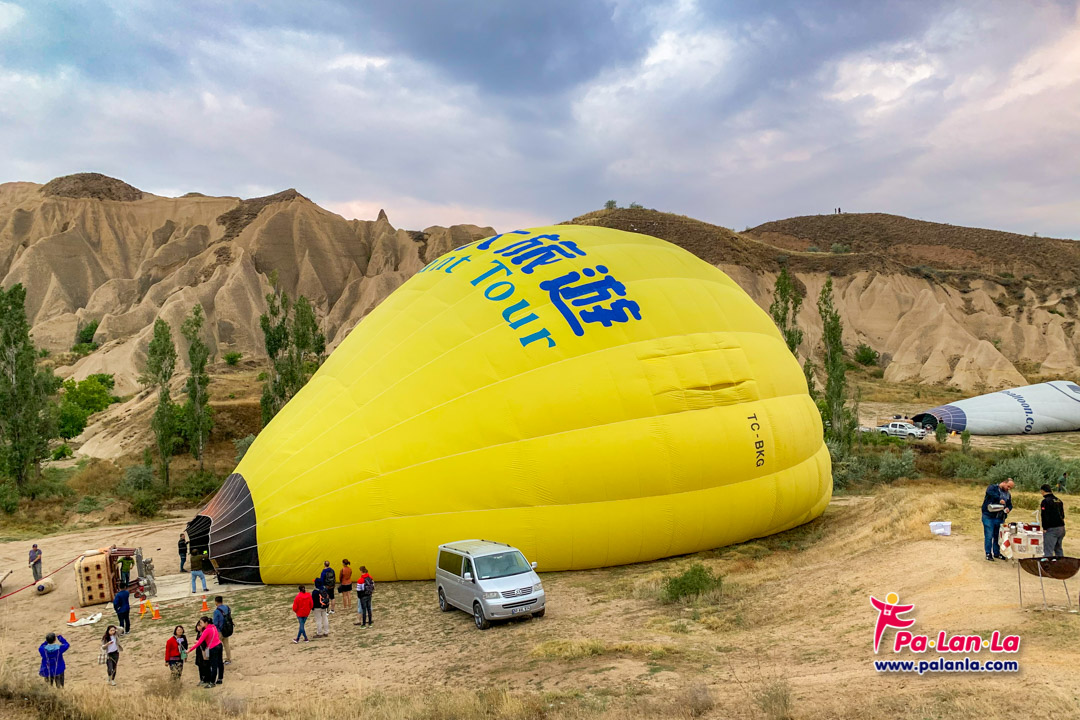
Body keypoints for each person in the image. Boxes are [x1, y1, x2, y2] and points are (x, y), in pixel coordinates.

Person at [981, 478, 1015, 561]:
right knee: (989, 535)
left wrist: (1008, 509)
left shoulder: (1008, 494)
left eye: (1010, 488)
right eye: (1008, 486)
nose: (1009, 489)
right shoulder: (992, 488)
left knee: (998, 537)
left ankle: (997, 553)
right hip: (988, 516)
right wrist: (999, 499)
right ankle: (988, 553)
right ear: (1003, 482)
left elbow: (1010, 504)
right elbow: (991, 494)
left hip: (1000, 518)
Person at [188, 615, 223, 687]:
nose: (200, 624)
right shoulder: (213, 626)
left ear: (206, 623)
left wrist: (189, 650)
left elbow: (199, 642)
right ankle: (220, 678)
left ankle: (212, 682)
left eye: (201, 623)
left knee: (214, 666)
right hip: (219, 645)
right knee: (220, 662)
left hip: (213, 648)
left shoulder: (206, 630)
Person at [1040, 483, 1066, 557]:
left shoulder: (1045, 501)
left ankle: (1047, 567)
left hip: (1052, 529)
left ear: (1042, 491)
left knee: (1048, 551)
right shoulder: (1059, 500)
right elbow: (1063, 515)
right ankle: (1061, 565)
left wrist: (1044, 528)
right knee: (1058, 549)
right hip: (1061, 528)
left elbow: (1045, 516)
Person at [212, 596, 233, 665]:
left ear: (216, 602)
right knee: (226, 644)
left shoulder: (216, 611)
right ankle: (228, 658)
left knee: (217, 646)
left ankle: (218, 660)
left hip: (219, 631)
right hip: (226, 629)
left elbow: (215, 623)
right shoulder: (227, 608)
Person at [192, 619, 209, 685]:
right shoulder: (199, 633)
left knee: (205, 665)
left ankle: (207, 679)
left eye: (200, 625)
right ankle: (202, 679)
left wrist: (198, 642)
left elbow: (204, 642)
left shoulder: (205, 632)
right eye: (197, 626)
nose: (198, 627)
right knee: (200, 665)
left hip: (204, 651)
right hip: (199, 652)